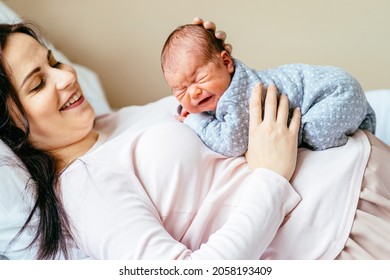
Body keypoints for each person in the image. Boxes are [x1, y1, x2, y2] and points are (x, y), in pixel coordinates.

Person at [0, 19, 301, 259]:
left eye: (54, 63)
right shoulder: (85, 188)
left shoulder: (113, 122)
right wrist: (271, 178)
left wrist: (216, 68)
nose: (66, 77)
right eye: (38, 84)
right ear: (11, 129)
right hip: (331, 233)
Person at [161, 24, 376, 157]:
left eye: (199, 78)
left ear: (227, 62)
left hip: (335, 93)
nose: (193, 93)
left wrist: (196, 121)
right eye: (180, 89)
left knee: (312, 136)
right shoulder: (225, 85)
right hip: (338, 87)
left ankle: (351, 143)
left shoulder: (239, 96)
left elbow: (232, 144)